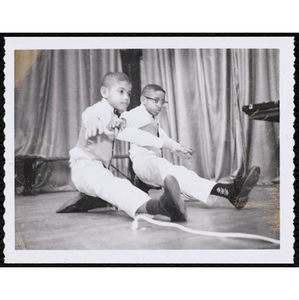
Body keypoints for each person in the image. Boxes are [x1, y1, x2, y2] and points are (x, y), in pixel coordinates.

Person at [57, 73, 188, 222]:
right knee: (114, 186)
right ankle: (162, 207)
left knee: (116, 187)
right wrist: (93, 120)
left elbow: (139, 136)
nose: (126, 97)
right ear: (104, 93)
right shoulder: (101, 109)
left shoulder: (116, 120)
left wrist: (171, 145)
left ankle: (92, 200)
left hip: (97, 170)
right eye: (121, 91)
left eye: (129, 93)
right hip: (85, 169)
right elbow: (90, 112)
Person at [120, 84, 261, 209]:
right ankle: (230, 191)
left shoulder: (151, 119)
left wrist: (177, 147)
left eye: (163, 102)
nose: (159, 106)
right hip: (145, 162)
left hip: (149, 164)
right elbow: (127, 118)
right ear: (143, 100)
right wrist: (122, 120)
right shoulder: (139, 113)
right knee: (177, 174)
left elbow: (163, 137)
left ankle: (229, 194)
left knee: (186, 187)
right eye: (156, 101)